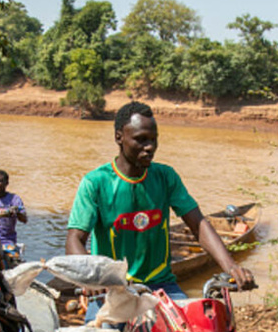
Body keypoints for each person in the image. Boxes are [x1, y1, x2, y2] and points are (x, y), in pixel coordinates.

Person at [66, 101, 254, 307]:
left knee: (192, 324)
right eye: (141, 140)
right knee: (98, 329)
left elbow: (198, 224)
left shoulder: (165, 177)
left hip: (162, 285)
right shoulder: (95, 183)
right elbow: (74, 239)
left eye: (153, 139)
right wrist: (92, 277)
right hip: (112, 287)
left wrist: (231, 267)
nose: (149, 147)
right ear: (119, 137)